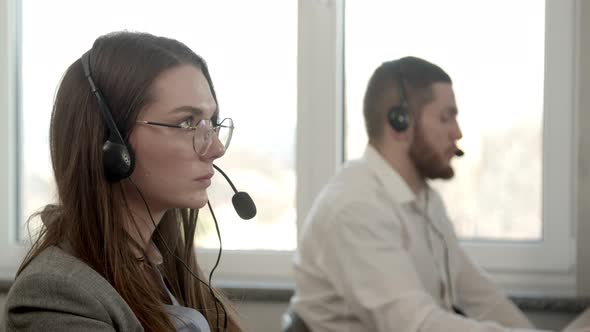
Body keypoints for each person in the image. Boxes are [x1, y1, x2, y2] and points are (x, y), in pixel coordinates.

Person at [289, 56, 582, 332]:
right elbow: (417, 325)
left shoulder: (422, 199)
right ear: (399, 122)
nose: (458, 133)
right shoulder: (355, 207)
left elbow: (479, 295)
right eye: (446, 118)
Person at [3, 31, 241, 332]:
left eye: (212, 123)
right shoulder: (56, 294)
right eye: (186, 123)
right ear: (111, 142)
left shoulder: (163, 265)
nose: (216, 148)